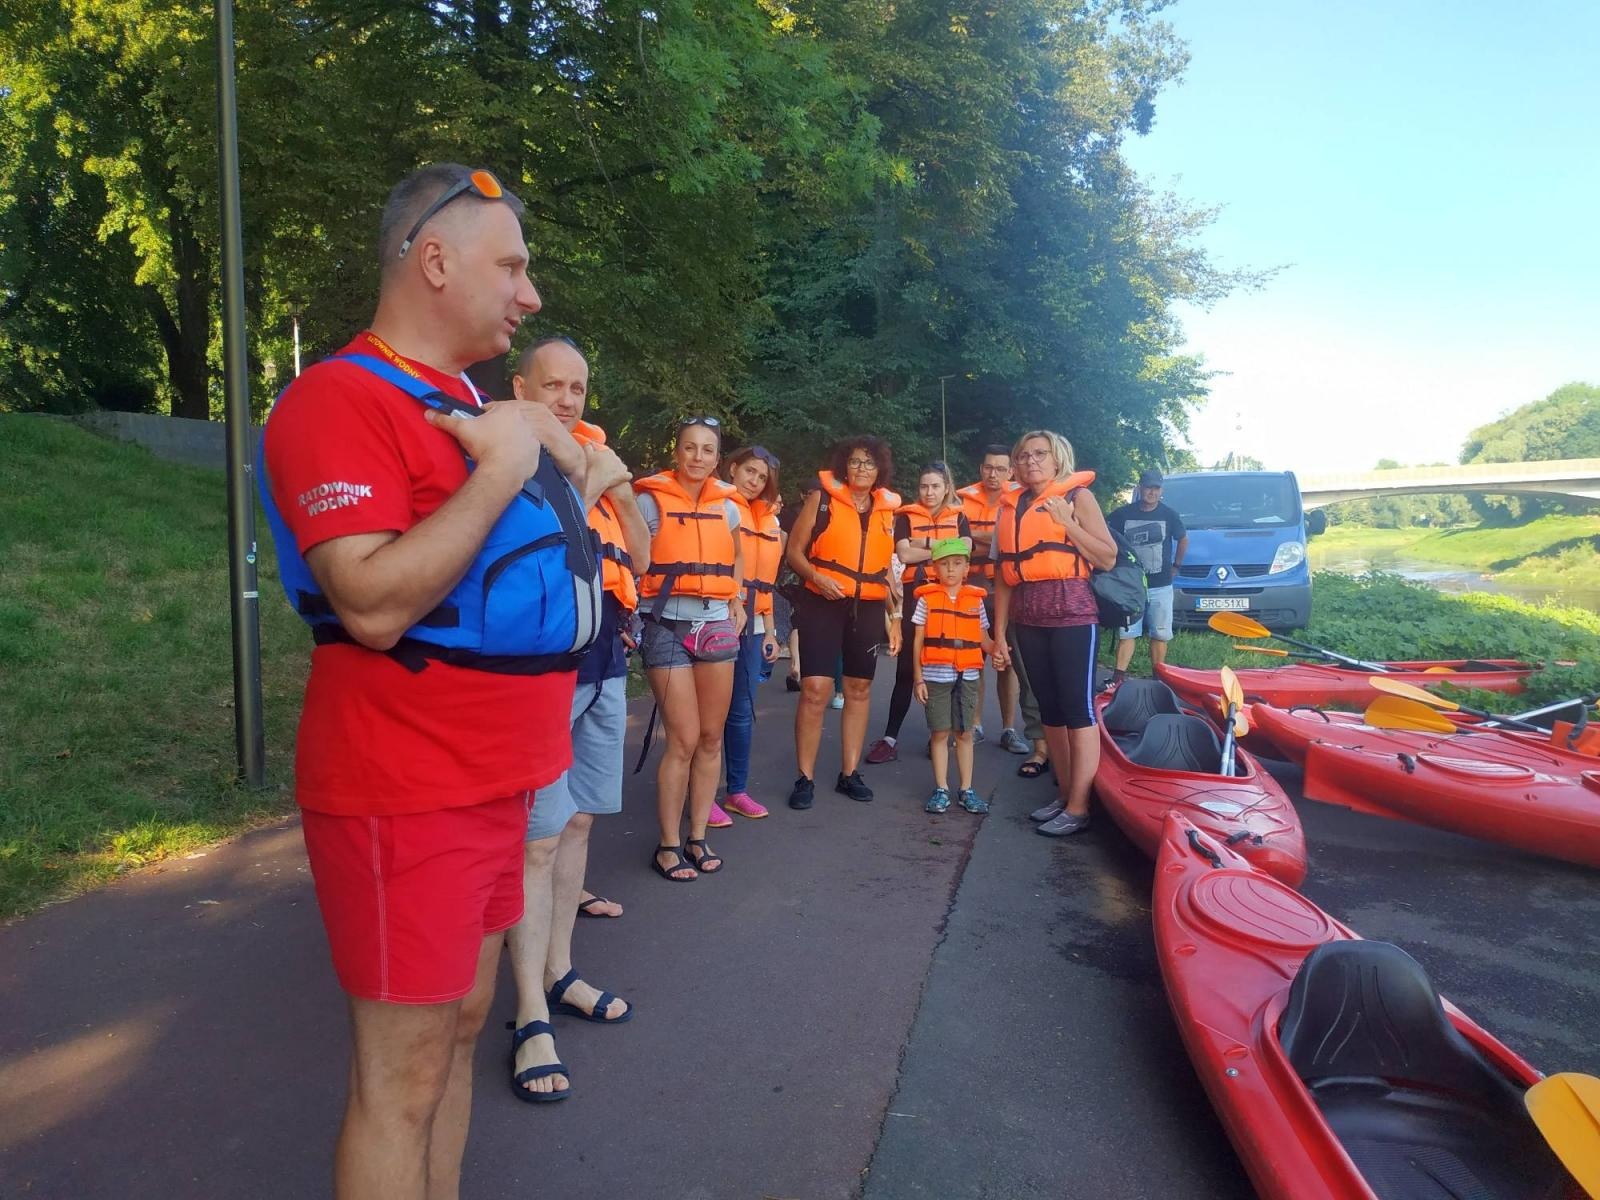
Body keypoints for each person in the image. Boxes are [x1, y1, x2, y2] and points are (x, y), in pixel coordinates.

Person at [259, 164, 602, 1198]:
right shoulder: (338, 399)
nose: (530, 294)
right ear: (437, 261)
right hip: (404, 790)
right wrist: (501, 468)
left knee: (460, 1030)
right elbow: (368, 602)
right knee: (400, 1080)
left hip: (502, 779)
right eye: (512, 267)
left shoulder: (467, 404)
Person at [501, 335, 649, 1102]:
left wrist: (619, 494)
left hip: (605, 660)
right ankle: (528, 1010)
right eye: (552, 386)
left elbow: (642, 558)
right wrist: (591, 483)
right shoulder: (506, 455)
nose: (565, 400)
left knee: (582, 821)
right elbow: (534, 550)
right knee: (537, 840)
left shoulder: (597, 455)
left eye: (578, 389)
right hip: (543, 671)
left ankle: (560, 971)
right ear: (520, 387)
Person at [991, 430, 1119, 838]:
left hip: (1072, 613)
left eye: (1040, 454)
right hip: (1028, 617)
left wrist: (1067, 523)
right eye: (1024, 455)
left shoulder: (1078, 498)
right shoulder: (1011, 507)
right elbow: (1004, 576)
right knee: (1050, 711)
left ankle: (1080, 806)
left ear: (1057, 458)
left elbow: (1107, 557)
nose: (1031, 461)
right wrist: (998, 634)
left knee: (1077, 711)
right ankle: (1064, 795)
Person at [634, 418, 745, 879]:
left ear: (717, 459)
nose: (698, 457)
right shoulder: (648, 501)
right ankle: (667, 845)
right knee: (682, 738)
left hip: (715, 622)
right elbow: (633, 560)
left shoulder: (729, 508)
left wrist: (737, 600)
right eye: (690, 448)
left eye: (707, 450)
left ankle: (698, 836)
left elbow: (736, 556)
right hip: (665, 624)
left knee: (711, 737)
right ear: (676, 452)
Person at [785, 437, 902, 809]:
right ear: (844, 467)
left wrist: (896, 618)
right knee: (815, 689)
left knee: (859, 688)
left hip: (867, 607)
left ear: (880, 469)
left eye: (869, 463)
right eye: (855, 462)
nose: (862, 469)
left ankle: (849, 774)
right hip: (822, 601)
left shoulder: (887, 511)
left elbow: (887, 572)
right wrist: (816, 578)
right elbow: (794, 553)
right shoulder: (821, 500)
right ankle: (804, 777)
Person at [864, 462, 969, 764]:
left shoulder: (959, 517)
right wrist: (944, 549)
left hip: (949, 597)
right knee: (907, 669)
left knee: (948, 665)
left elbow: (964, 550)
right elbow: (903, 554)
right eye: (924, 486)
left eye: (935, 486)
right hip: (916, 595)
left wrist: (924, 544)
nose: (929, 492)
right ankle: (889, 739)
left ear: (946, 488)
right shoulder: (906, 517)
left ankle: (940, 735)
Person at [958, 446, 1049, 776]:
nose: (993, 474)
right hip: (971, 587)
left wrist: (976, 537)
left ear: (1010, 472)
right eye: (988, 468)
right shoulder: (962, 502)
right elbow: (956, 542)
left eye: (1000, 469)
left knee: (1008, 660)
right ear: (980, 469)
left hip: (1008, 590)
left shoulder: (1021, 500)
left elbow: (1015, 543)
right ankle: (976, 725)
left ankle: (1010, 728)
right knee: (973, 660)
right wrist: (991, 538)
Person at [720, 445, 784, 821]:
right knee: (710, 716)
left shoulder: (769, 519)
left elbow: (766, 583)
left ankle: (736, 791)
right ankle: (698, 794)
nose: (755, 481)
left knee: (742, 711)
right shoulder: (717, 506)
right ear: (733, 469)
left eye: (762, 478)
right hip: (719, 619)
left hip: (755, 626)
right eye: (750, 471)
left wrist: (771, 631)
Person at [912, 539, 995, 814]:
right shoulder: (926, 600)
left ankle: (966, 789)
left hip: (967, 676)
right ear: (935, 568)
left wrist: (998, 650)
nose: (950, 569)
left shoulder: (976, 601)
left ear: (967, 568)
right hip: (935, 677)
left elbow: (984, 639)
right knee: (939, 733)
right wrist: (918, 679)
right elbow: (918, 641)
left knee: (964, 733)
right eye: (944, 564)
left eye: (957, 563)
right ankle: (941, 789)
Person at [1105, 469, 1188, 688]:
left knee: (1159, 633)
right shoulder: (1122, 514)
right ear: (1139, 488)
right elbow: (1104, 533)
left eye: (1156, 488)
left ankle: (1158, 678)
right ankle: (1117, 678)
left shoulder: (1169, 514)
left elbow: (1183, 539)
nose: (1152, 492)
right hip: (1130, 585)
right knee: (1127, 632)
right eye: (1148, 487)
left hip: (1161, 584)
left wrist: (1176, 565)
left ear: (1161, 490)